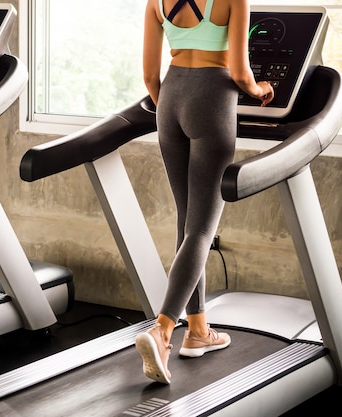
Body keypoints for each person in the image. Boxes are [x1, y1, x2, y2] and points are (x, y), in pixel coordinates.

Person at [135, 0, 274, 384]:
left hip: (170, 102)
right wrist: (261, 88)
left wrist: (174, 113)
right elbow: (241, 72)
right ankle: (162, 331)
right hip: (212, 99)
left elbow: (149, 76)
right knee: (201, 229)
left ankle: (198, 331)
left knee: (186, 222)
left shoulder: (155, 3)